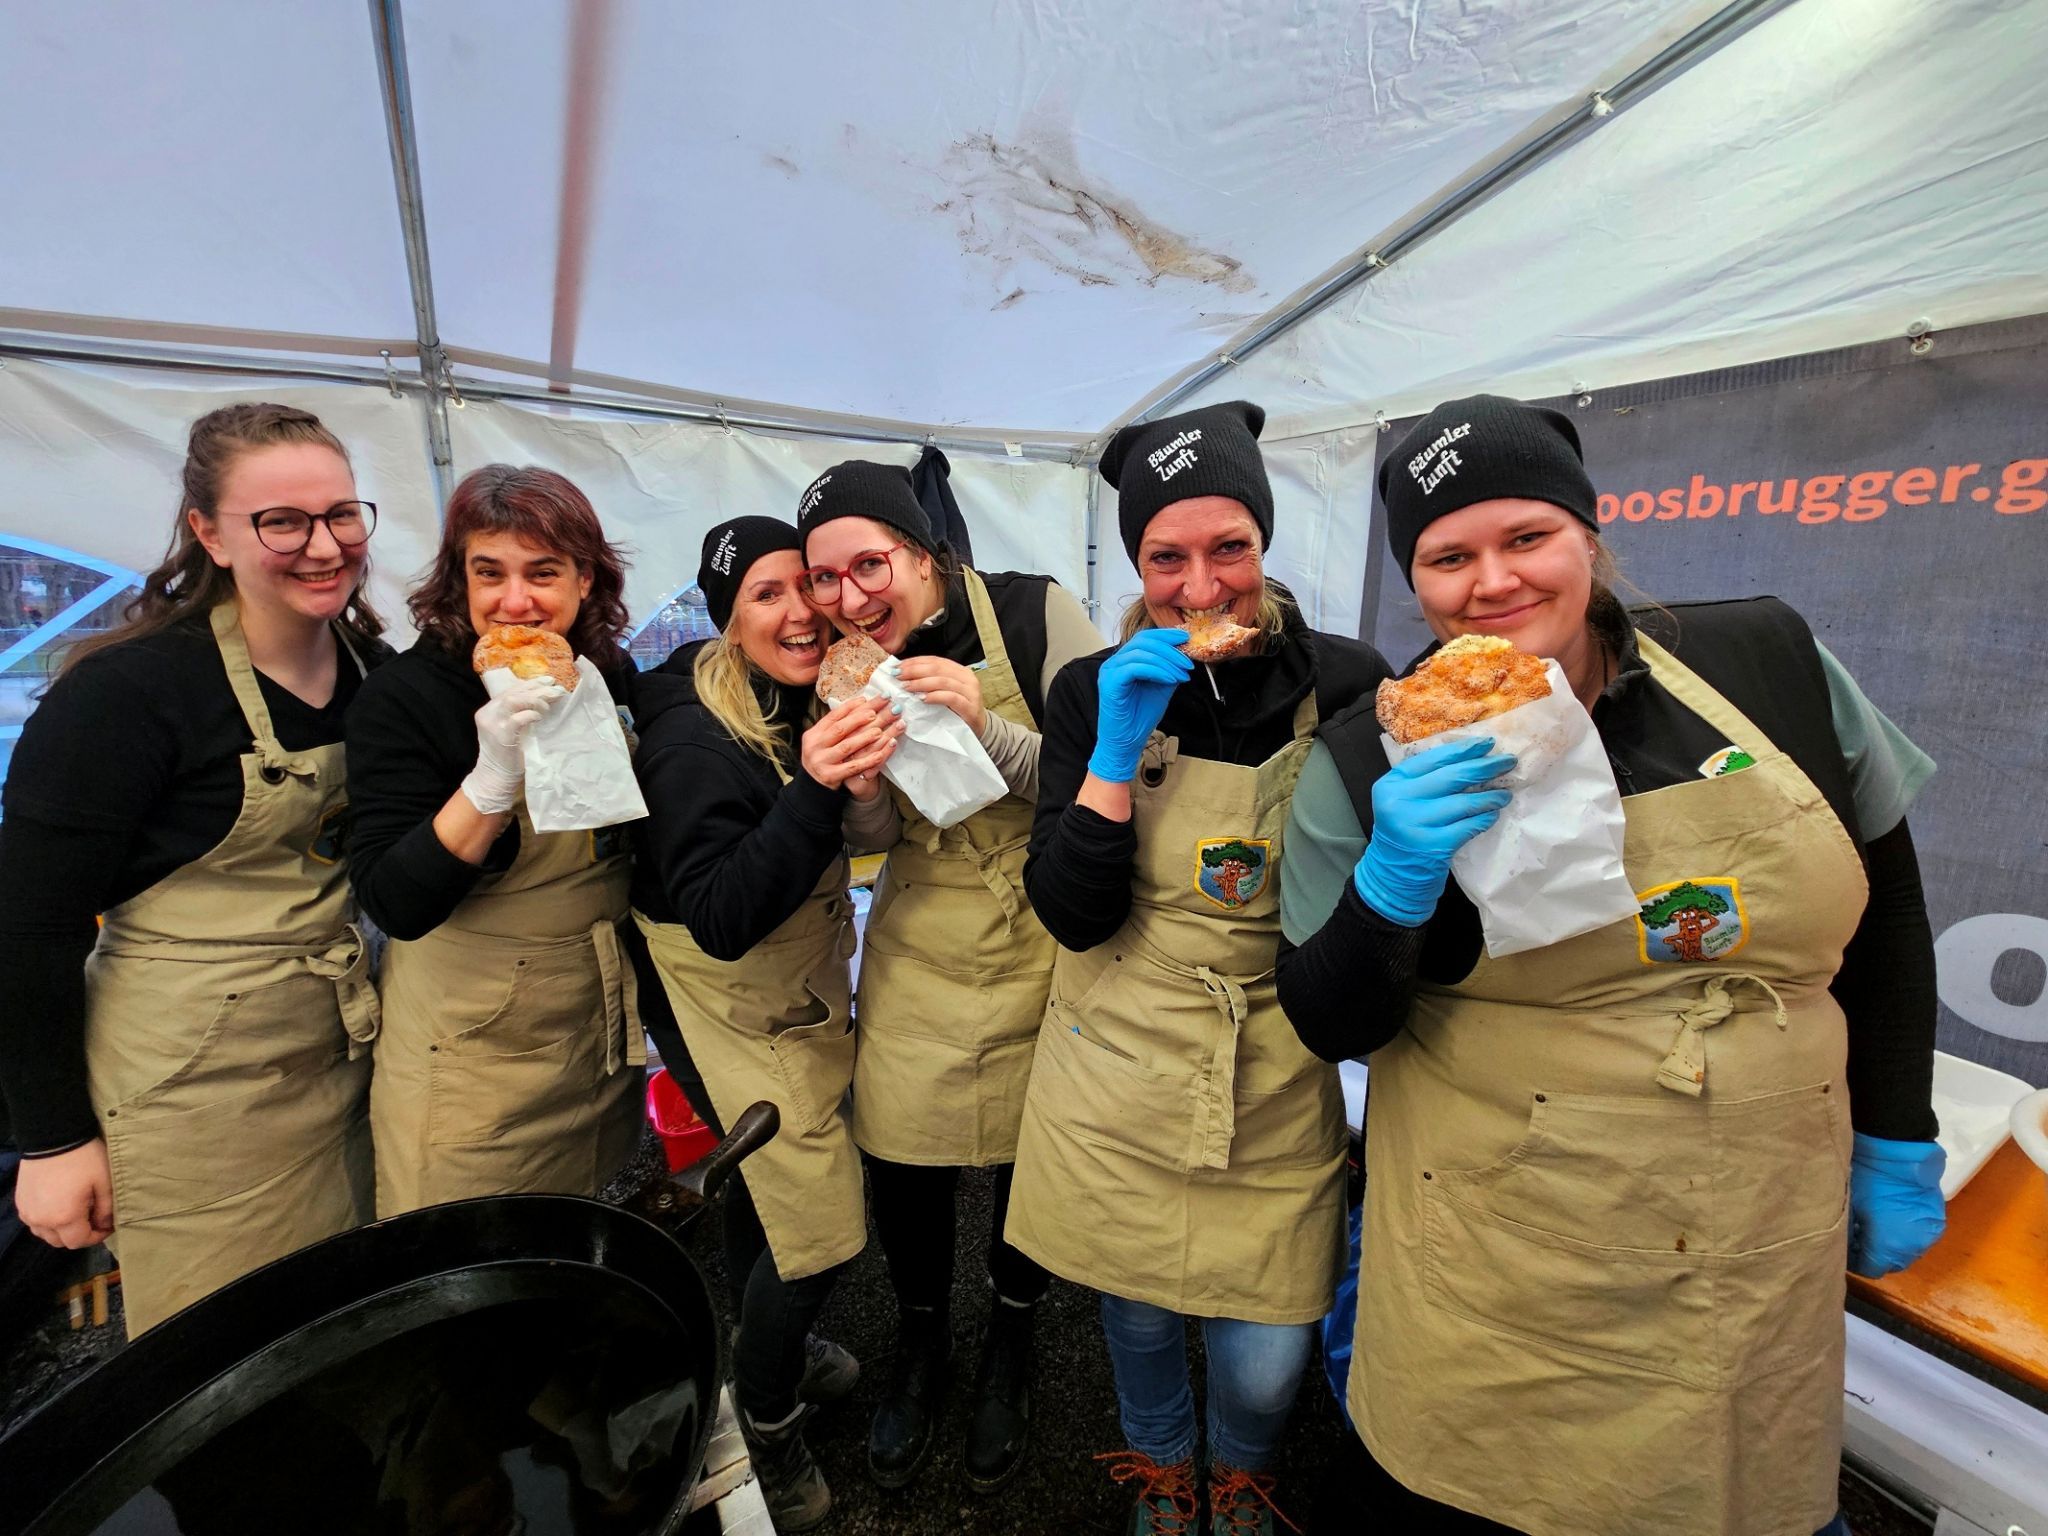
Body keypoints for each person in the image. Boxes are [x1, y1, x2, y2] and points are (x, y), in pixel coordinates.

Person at [1277, 394, 1946, 1536]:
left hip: (1753, 1219)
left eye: (1525, 536)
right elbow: (1328, 1018)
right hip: (1505, 1240)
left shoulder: (1763, 663)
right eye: (1446, 557)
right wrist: (1392, 880)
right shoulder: (1365, 751)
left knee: (1734, 1486)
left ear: (1588, 532)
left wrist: (1896, 1128)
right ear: (1414, 580)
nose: (1490, 582)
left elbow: (1883, 917)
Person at [1006, 402, 1393, 1536]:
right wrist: (1113, 756)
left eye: (1229, 546)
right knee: (1132, 1308)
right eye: (1163, 557)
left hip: (1275, 1052)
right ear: (1135, 563)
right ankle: (1166, 1470)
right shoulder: (1090, 690)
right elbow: (1069, 916)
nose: (1198, 585)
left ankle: (1240, 1473)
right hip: (1118, 1041)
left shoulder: (1344, 680)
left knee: (1268, 1349)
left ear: (1263, 544)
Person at [0, 402, 389, 1334]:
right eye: (281, 521)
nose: (323, 545)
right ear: (208, 533)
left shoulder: (372, 670)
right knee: (233, 1349)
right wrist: (52, 1141)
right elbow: (28, 927)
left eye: (341, 514)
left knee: (347, 1316)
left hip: (346, 1044)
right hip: (194, 1086)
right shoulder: (129, 694)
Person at [795, 460, 1103, 1493]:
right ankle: (918, 1344)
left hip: (1039, 931)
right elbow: (875, 840)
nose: (848, 599)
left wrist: (983, 718)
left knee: (1029, 1161)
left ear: (921, 554)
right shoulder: (840, 668)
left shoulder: (1032, 613)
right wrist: (860, 789)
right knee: (904, 1157)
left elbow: (1109, 773)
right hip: (922, 936)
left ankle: (1011, 1341)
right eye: (823, 581)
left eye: (867, 565)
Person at [630, 515, 905, 1530]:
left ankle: (759, 1341)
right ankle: (764, 1420)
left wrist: (858, 783)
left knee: (771, 1184)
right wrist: (820, 790)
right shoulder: (692, 738)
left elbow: (850, 831)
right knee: (826, 1229)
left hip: (799, 987)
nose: (801, 613)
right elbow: (721, 916)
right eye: (766, 595)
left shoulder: (799, 699)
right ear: (723, 618)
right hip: (724, 995)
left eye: (807, 587)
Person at [346, 465, 646, 1214]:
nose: (516, 601)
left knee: (574, 1234)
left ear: (586, 580)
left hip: (590, 1025)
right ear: (460, 582)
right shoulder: (409, 696)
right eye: (490, 574)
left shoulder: (603, 673)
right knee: (468, 1270)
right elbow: (395, 901)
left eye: (543, 572)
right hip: (472, 1045)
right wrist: (488, 783)